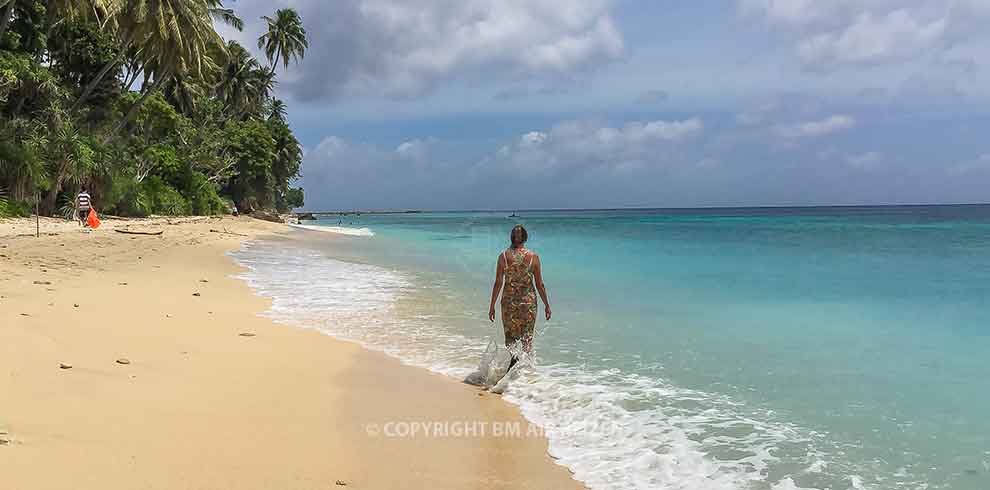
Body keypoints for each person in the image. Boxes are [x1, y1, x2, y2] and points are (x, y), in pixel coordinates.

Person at [488, 224, 551, 370]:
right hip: (528, 303)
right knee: (527, 338)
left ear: (511, 237)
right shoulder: (533, 257)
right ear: (525, 237)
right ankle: (526, 373)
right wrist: (547, 304)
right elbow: (540, 284)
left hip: (509, 303)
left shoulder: (503, 257)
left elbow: (498, 282)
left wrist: (492, 305)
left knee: (510, 337)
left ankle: (514, 363)